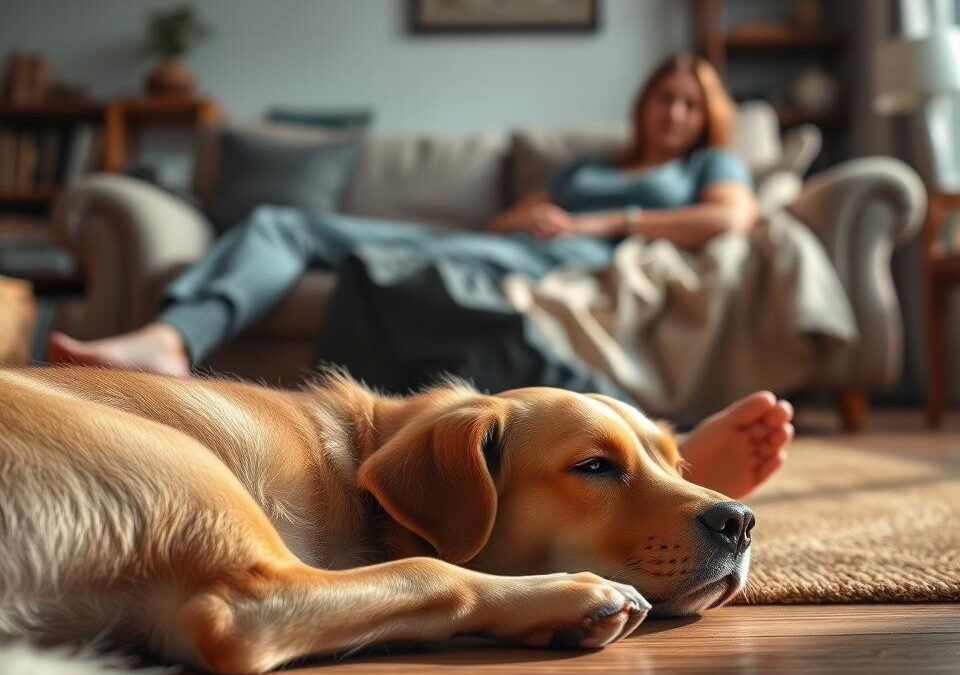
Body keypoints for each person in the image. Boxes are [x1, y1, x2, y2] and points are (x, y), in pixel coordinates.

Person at [48, 52, 793, 500]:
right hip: (489, 243)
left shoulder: (704, 166)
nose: (675, 112)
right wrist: (528, 211)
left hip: (566, 260)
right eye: (665, 98)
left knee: (392, 276)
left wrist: (596, 223)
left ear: (706, 118)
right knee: (286, 223)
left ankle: (662, 459)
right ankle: (171, 339)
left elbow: (728, 218)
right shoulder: (590, 165)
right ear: (645, 104)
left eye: (690, 104)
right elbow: (502, 224)